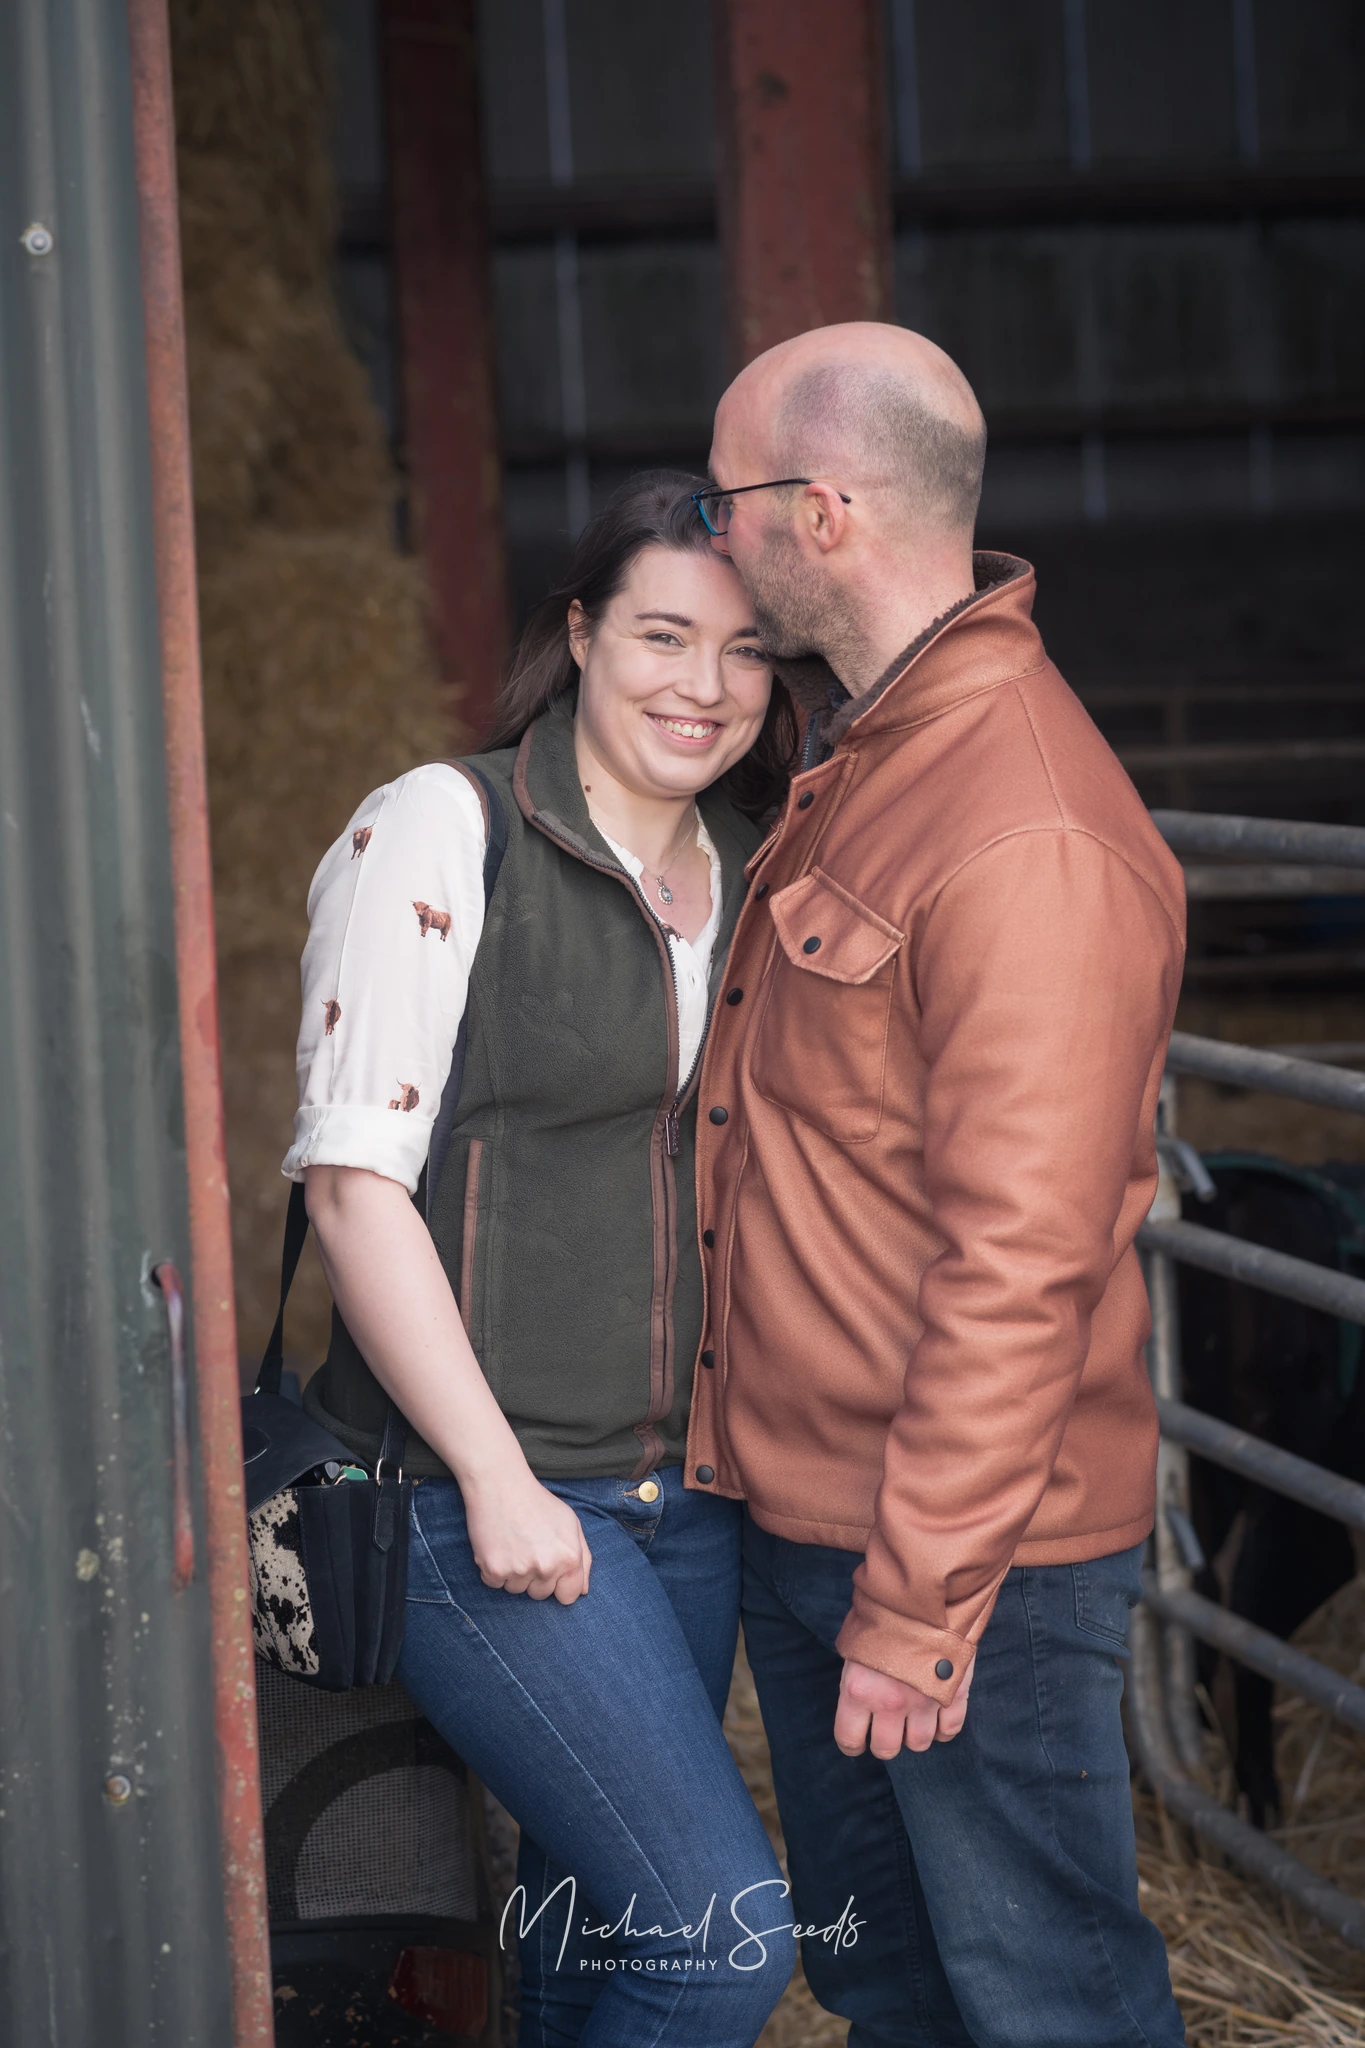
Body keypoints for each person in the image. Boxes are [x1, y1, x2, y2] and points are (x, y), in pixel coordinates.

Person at [685, 324, 1189, 2048]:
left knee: (1043, 1995)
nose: (710, 534)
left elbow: (1022, 1261)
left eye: (724, 497)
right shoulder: (867, 762)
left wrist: (918, 1607)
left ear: (821, 512)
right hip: (820, 1519)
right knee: (890, 1986)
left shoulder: (1021, 825)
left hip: (971, 1566)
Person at [283, 472, 798, 2046]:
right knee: (722, 1948)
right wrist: (494, 1478)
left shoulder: (757, 866)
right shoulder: (447, 829)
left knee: (588, 1957)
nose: (702, 688)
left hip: (678, 1507)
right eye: (661, 634)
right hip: (480, 1499)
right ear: (578, 634)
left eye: (750, 652)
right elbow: (355, 1184)